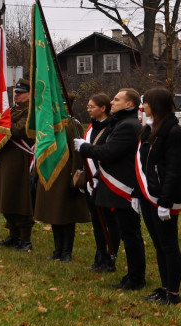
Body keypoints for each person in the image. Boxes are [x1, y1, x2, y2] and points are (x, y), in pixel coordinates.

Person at [74, 88, 146, 291]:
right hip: (113, 184)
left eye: (116, 100)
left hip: (122, 187)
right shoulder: (121, 123)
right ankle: (131, 275)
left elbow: (109, 152)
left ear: (129, 105)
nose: (112, 102)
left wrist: (84, 147)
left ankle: (136, 278)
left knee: (130, 235)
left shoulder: (127, 126)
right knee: (127, 233)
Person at [135, 87, 181, 306]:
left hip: (163, 199)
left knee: (169, 245)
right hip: (149, 196)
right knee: (158, 244)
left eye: (146, 102)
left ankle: (173, 294)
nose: (143, 106)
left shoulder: (174, 133)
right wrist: (137, 194)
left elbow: (175, 171)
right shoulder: (149, 130)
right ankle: (165, 287)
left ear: (155, 104)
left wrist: (165, 202)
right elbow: (144, 166)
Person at [34, 107, 90, 262]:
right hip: (49, 174)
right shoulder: (47, 123)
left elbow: (77, 152)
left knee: (66, 214)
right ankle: (57, 249)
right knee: (54, 214)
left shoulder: (71, 124)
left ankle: (66, 251)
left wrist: (75, 178)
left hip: (66, 175)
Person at [0, 78, 35, 251]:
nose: (17, 95)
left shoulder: (31, 112)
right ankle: (13, 234)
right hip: (6, 157)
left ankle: (25, 238)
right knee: (6, 197)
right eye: (15, 92)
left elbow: (19, 130)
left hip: (20, 157)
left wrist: (1, 124)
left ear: (30, 94)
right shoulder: (11, 110)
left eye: (21, 93)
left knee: (20, 199)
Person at [80, 93, 119, 272]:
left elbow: (106, 152)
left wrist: (96, 176)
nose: (88, 109)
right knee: (97, 222)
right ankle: (100, 255)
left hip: (106, 181)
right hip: (91, 183)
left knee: (110, 222)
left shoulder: (112, 127)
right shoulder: (90, 128)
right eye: (88, 106)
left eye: (91, 106)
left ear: (103, 108)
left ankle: (111, 257)